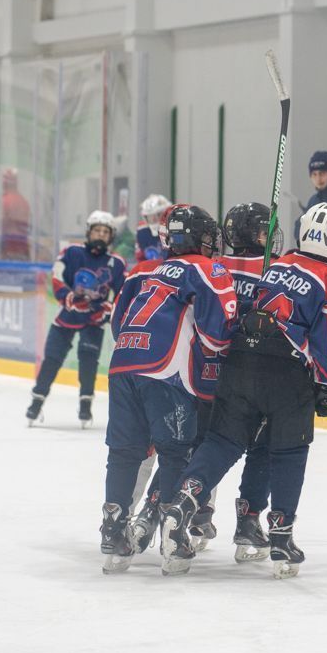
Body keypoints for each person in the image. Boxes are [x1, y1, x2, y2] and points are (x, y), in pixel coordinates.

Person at [160, 202, 327, 579]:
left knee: (221, 442)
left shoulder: (278, 265)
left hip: (239, 361)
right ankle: (281, 537)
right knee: (287, 450)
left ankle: (183, 502)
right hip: (285, 373)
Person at [131, 201, 281, 562]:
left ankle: (158, 511)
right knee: (249, 445)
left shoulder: (213, 266)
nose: (269, 239)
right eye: (263, 232)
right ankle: (243, 518)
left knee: (191, 447)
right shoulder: (274, 270)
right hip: (245, 376)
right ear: (247, 233)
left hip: (200, 374)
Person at [99, 205, 238, 574]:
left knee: (125, 452)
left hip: (123, 362)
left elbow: (118, 321)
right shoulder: (206, 268)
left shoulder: (150, 270)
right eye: (207, 237)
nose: (211, 243)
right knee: (177, 451)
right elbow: (217, 335)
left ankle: (113, 530)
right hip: (165, 371)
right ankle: (173, 540)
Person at [26, 211, 126, 427]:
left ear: (111, 236)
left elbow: (123, 294)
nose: (101, 235)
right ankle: (37, 401)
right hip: (67, 315)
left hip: (94, 318)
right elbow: (57, 277)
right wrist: (69, 298)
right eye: (97, 230)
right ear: (88, 232)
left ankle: (85, 405)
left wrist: (108, 309)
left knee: (89, 361)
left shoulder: (116, 263)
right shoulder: (71, 252)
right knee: (52, 359)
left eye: (105, 231)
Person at [0, 168, 32, 261]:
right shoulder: (23, 201)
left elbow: (3, 226)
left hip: (9, 249)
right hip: (22, 249)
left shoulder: (5, 201)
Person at [136, 193, 172, 263]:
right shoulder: (142, 232)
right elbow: (141, 260)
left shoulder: (175, 231)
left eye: (158, 214)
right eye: (149, 216)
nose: (153, 219)